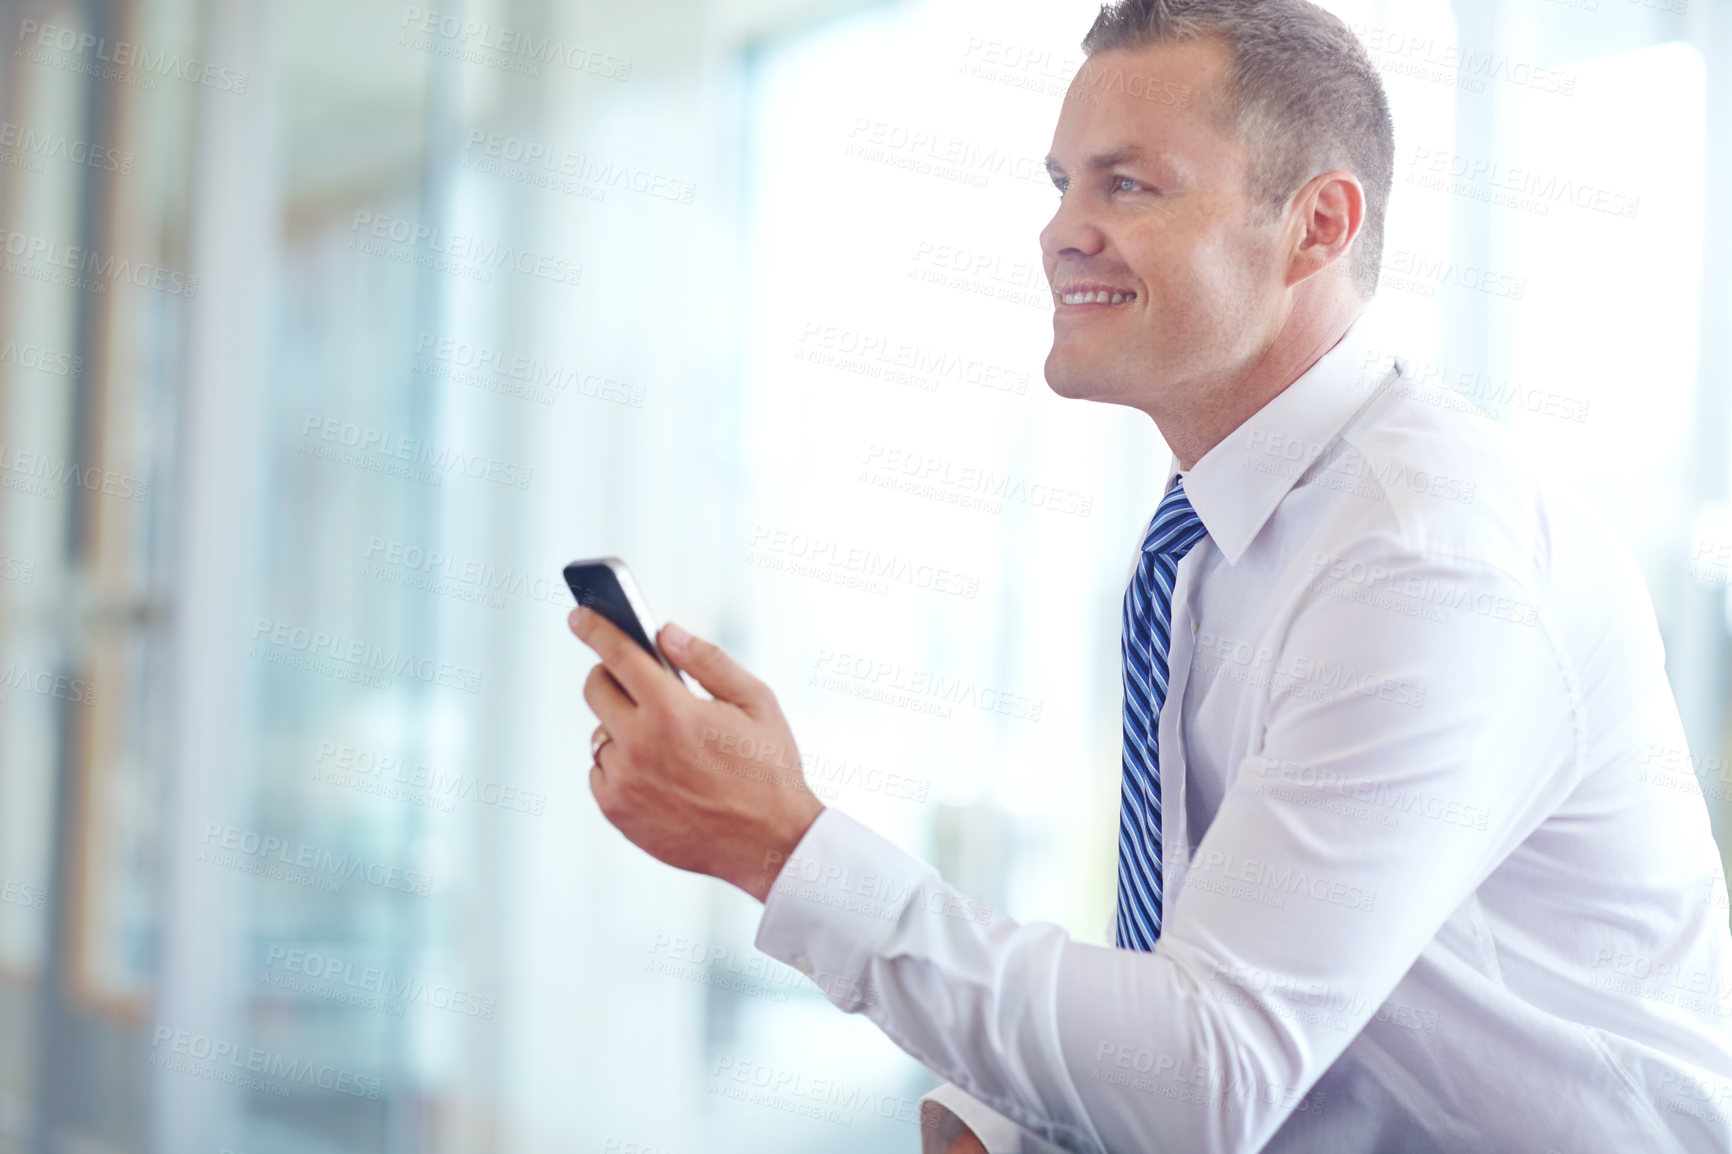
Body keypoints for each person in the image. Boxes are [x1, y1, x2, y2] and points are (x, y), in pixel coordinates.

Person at [569, 1, 1732, 1149]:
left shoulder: (1422, 556)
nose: (1060, 230)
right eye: (1062, 182)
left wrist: (779, 844)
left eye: (1128, 185)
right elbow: (1221, 968)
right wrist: (1012, 1118)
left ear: (1316, 224)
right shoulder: (1216, 532)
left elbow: (1211, 1074)